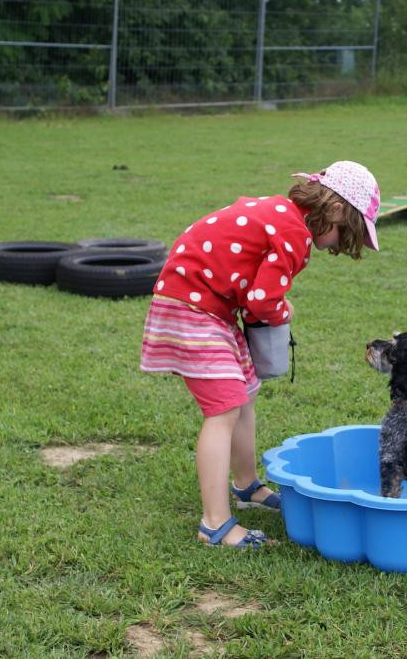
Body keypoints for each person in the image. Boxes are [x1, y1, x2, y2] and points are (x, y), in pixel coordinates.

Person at [140, 161, 381, 547]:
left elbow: (252, 291)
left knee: (245, 393)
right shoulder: (294, 234)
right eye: (344, 233)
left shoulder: (282, 215)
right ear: (335, 210)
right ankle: (215, 525)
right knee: (223, 410)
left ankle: (247, 484)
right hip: (192, 306)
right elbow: (262, 301)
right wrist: (284, 312)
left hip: (210, 306)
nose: (337, 245)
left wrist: (270, 307)